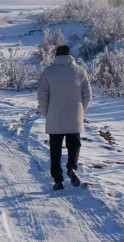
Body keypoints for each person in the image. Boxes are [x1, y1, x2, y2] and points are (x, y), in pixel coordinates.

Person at [37, 44, 92, 190]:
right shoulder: (80, 71)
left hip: (54, 116)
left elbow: (42, 96)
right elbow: (87, 95)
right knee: (74, 145)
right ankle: (71, 167)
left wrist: (46, 113)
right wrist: (81, 111)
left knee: (55, 149)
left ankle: (57, 180)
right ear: (70, 56)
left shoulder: (48, 72)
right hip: (74, 116)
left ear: (56, 56)